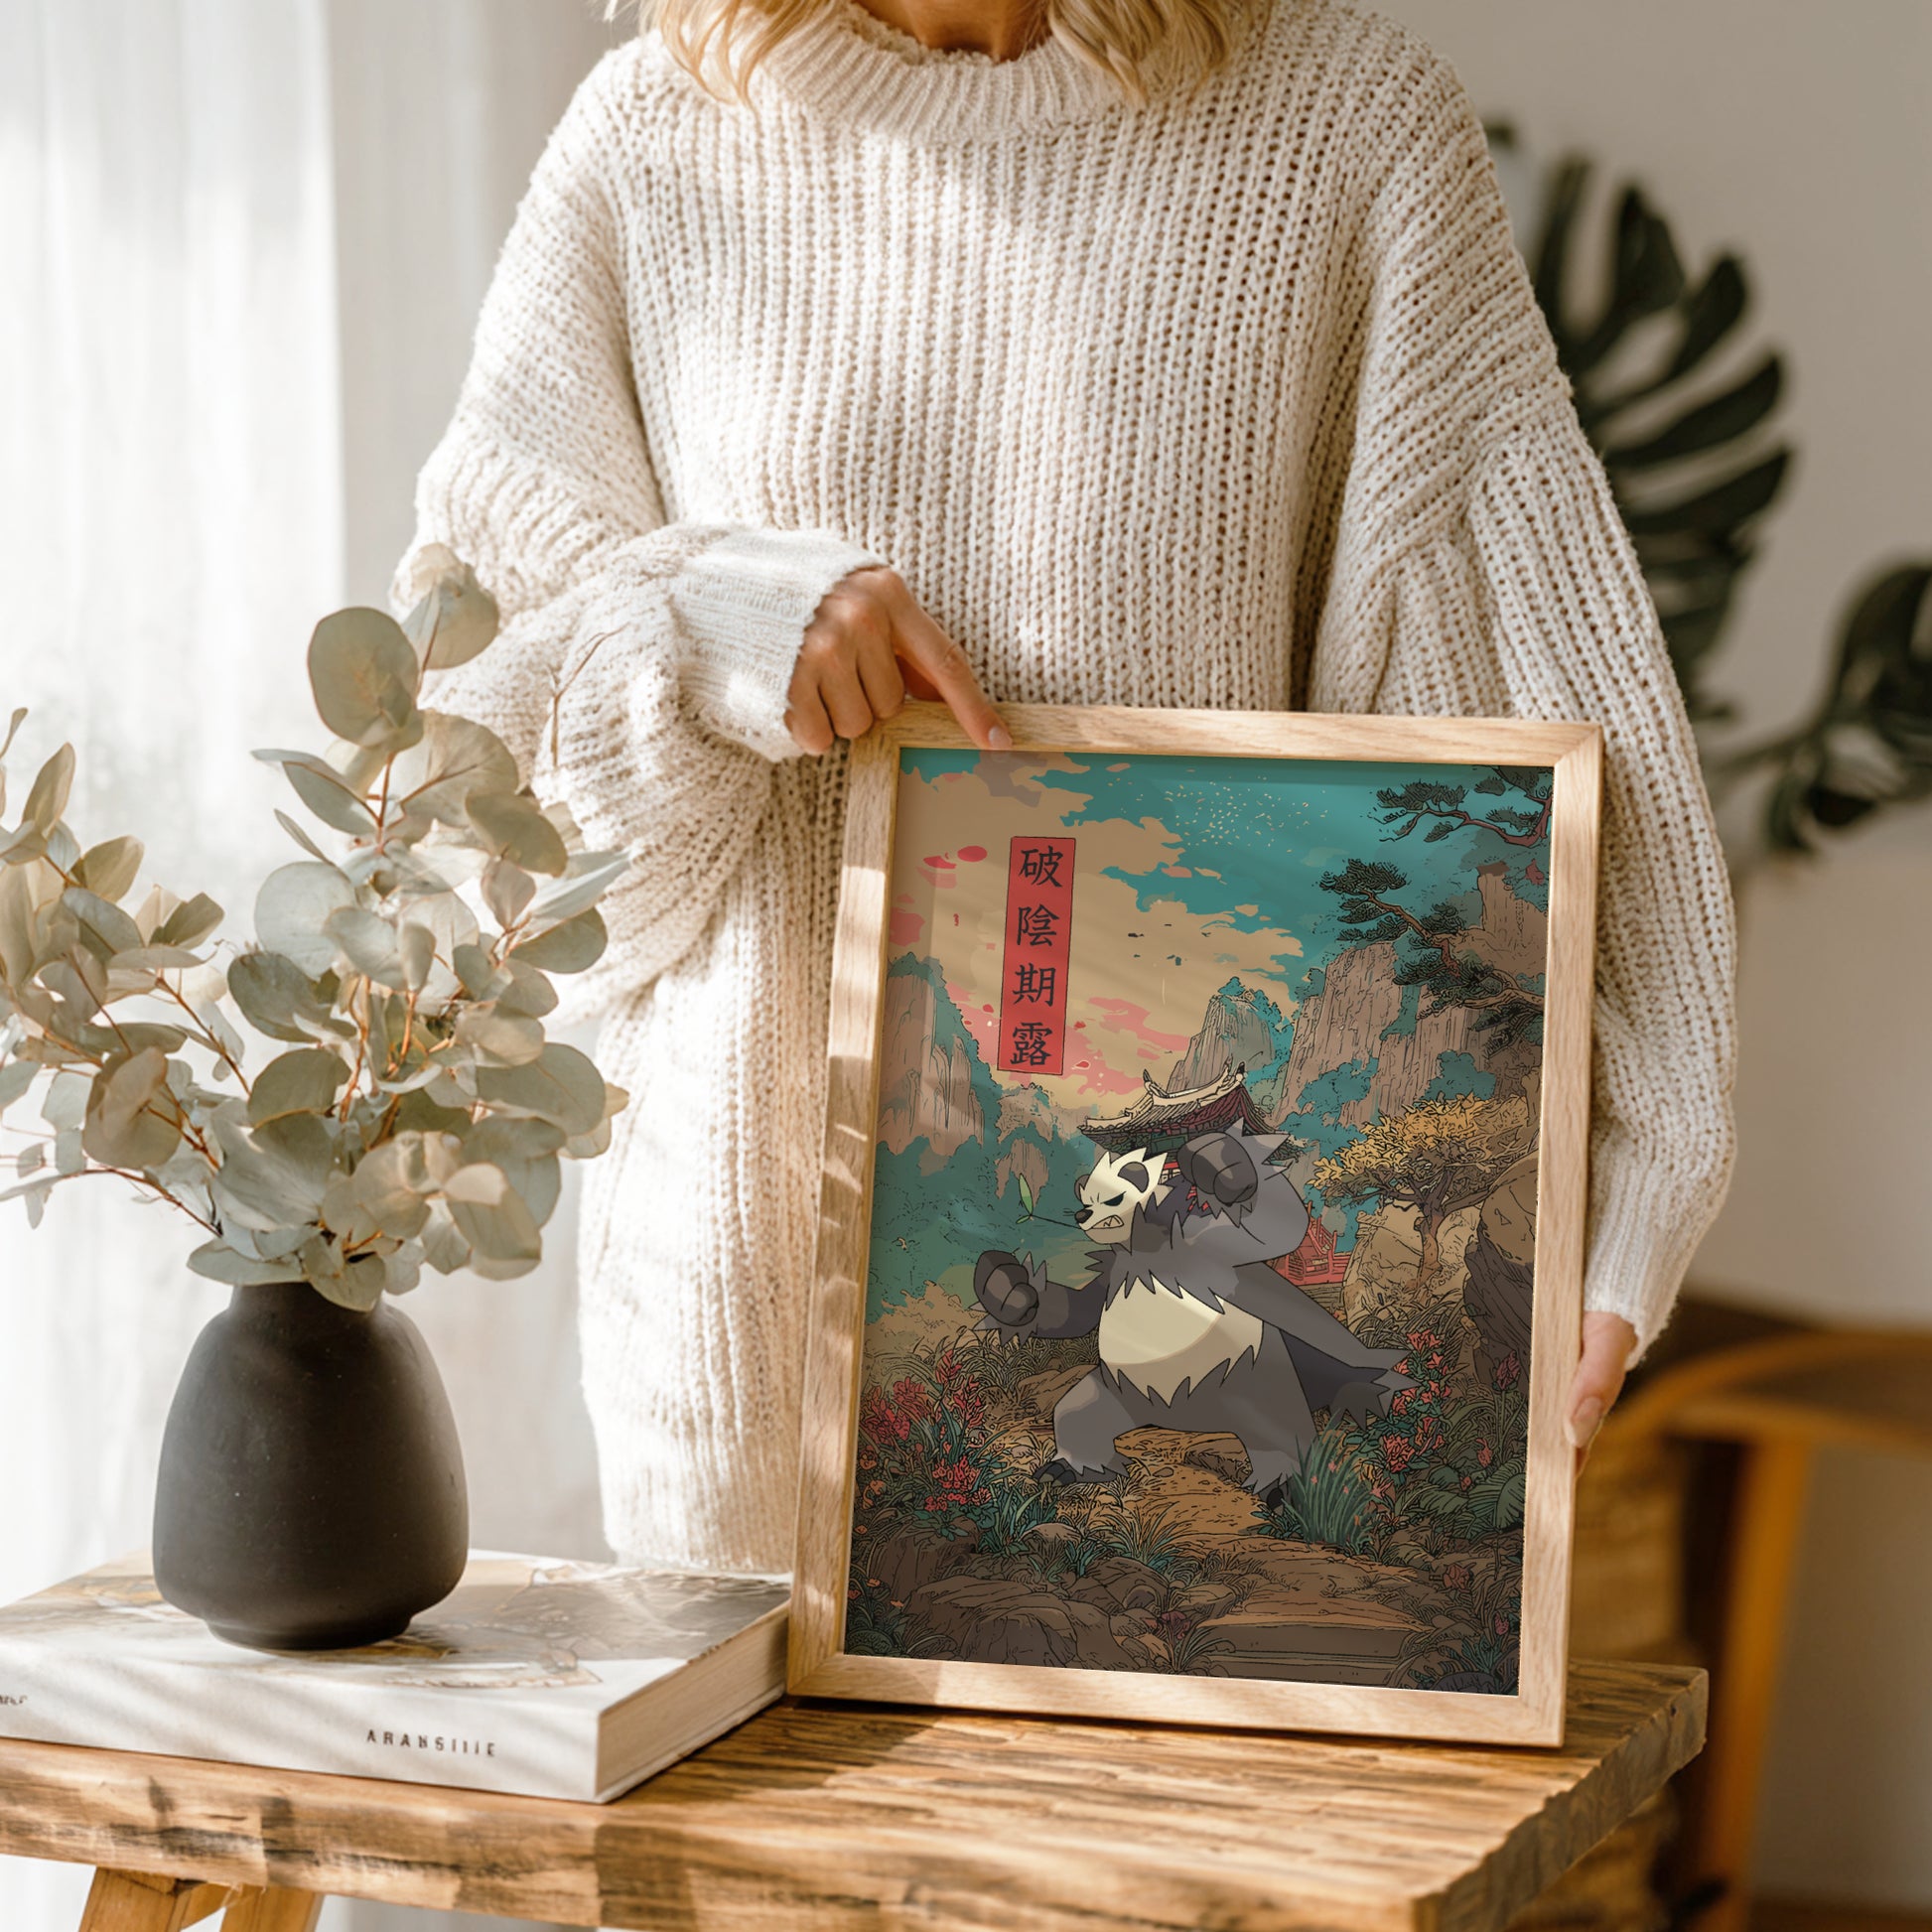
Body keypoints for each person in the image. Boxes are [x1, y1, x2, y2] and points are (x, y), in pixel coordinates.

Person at [393, 0, 1736, 1576]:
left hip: (1195, 1323)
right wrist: (706, 620)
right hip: (736, 1338)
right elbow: (465, 819)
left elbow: (1524, 696)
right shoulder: (650, 139)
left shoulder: (1343, 127)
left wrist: (1627, 1169)